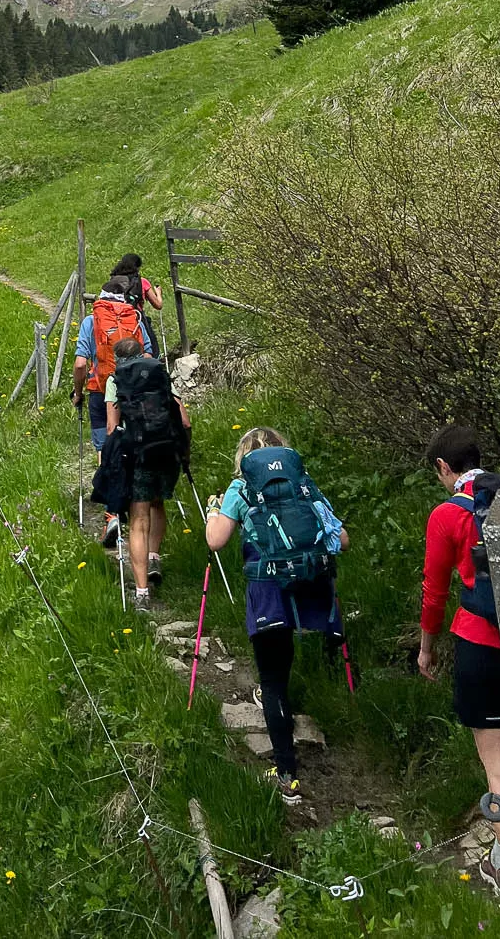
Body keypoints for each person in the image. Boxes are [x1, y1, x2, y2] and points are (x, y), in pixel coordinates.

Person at [419, 425, 500, 915]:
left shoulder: (449, 514)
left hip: (481, 646)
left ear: (446, 468)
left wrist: (426, 648)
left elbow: (435, 590)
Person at [204, 427, 348, 806]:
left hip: (268, 591)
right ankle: (339, 677)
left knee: (272, 680)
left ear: (243, 458)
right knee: (305, 646)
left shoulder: (242, 488)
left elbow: (215, 540)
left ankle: (287, 776)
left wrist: (213, 511)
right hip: (313, 584)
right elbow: (342, 539)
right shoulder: (304, 485)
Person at [71, 268, 160, 550]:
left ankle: (111, 512)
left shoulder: (91, 320)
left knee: (107, 446)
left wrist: (78, 392)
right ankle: (137, 504)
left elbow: (81, 364)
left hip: (100, 391)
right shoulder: (135, 317)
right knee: (134, 442)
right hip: (134, 390)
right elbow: (148, 354)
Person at [104, 336, 190, 609]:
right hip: (167, 451)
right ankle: (154, 556)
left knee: (138, 519)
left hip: (137, 456)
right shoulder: (159, 372)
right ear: (142, 353)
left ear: (118, 358)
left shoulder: (114, 380)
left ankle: (141, 593)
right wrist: (184, 453)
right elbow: (184, 420)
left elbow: (111, 428)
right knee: (158, 502)